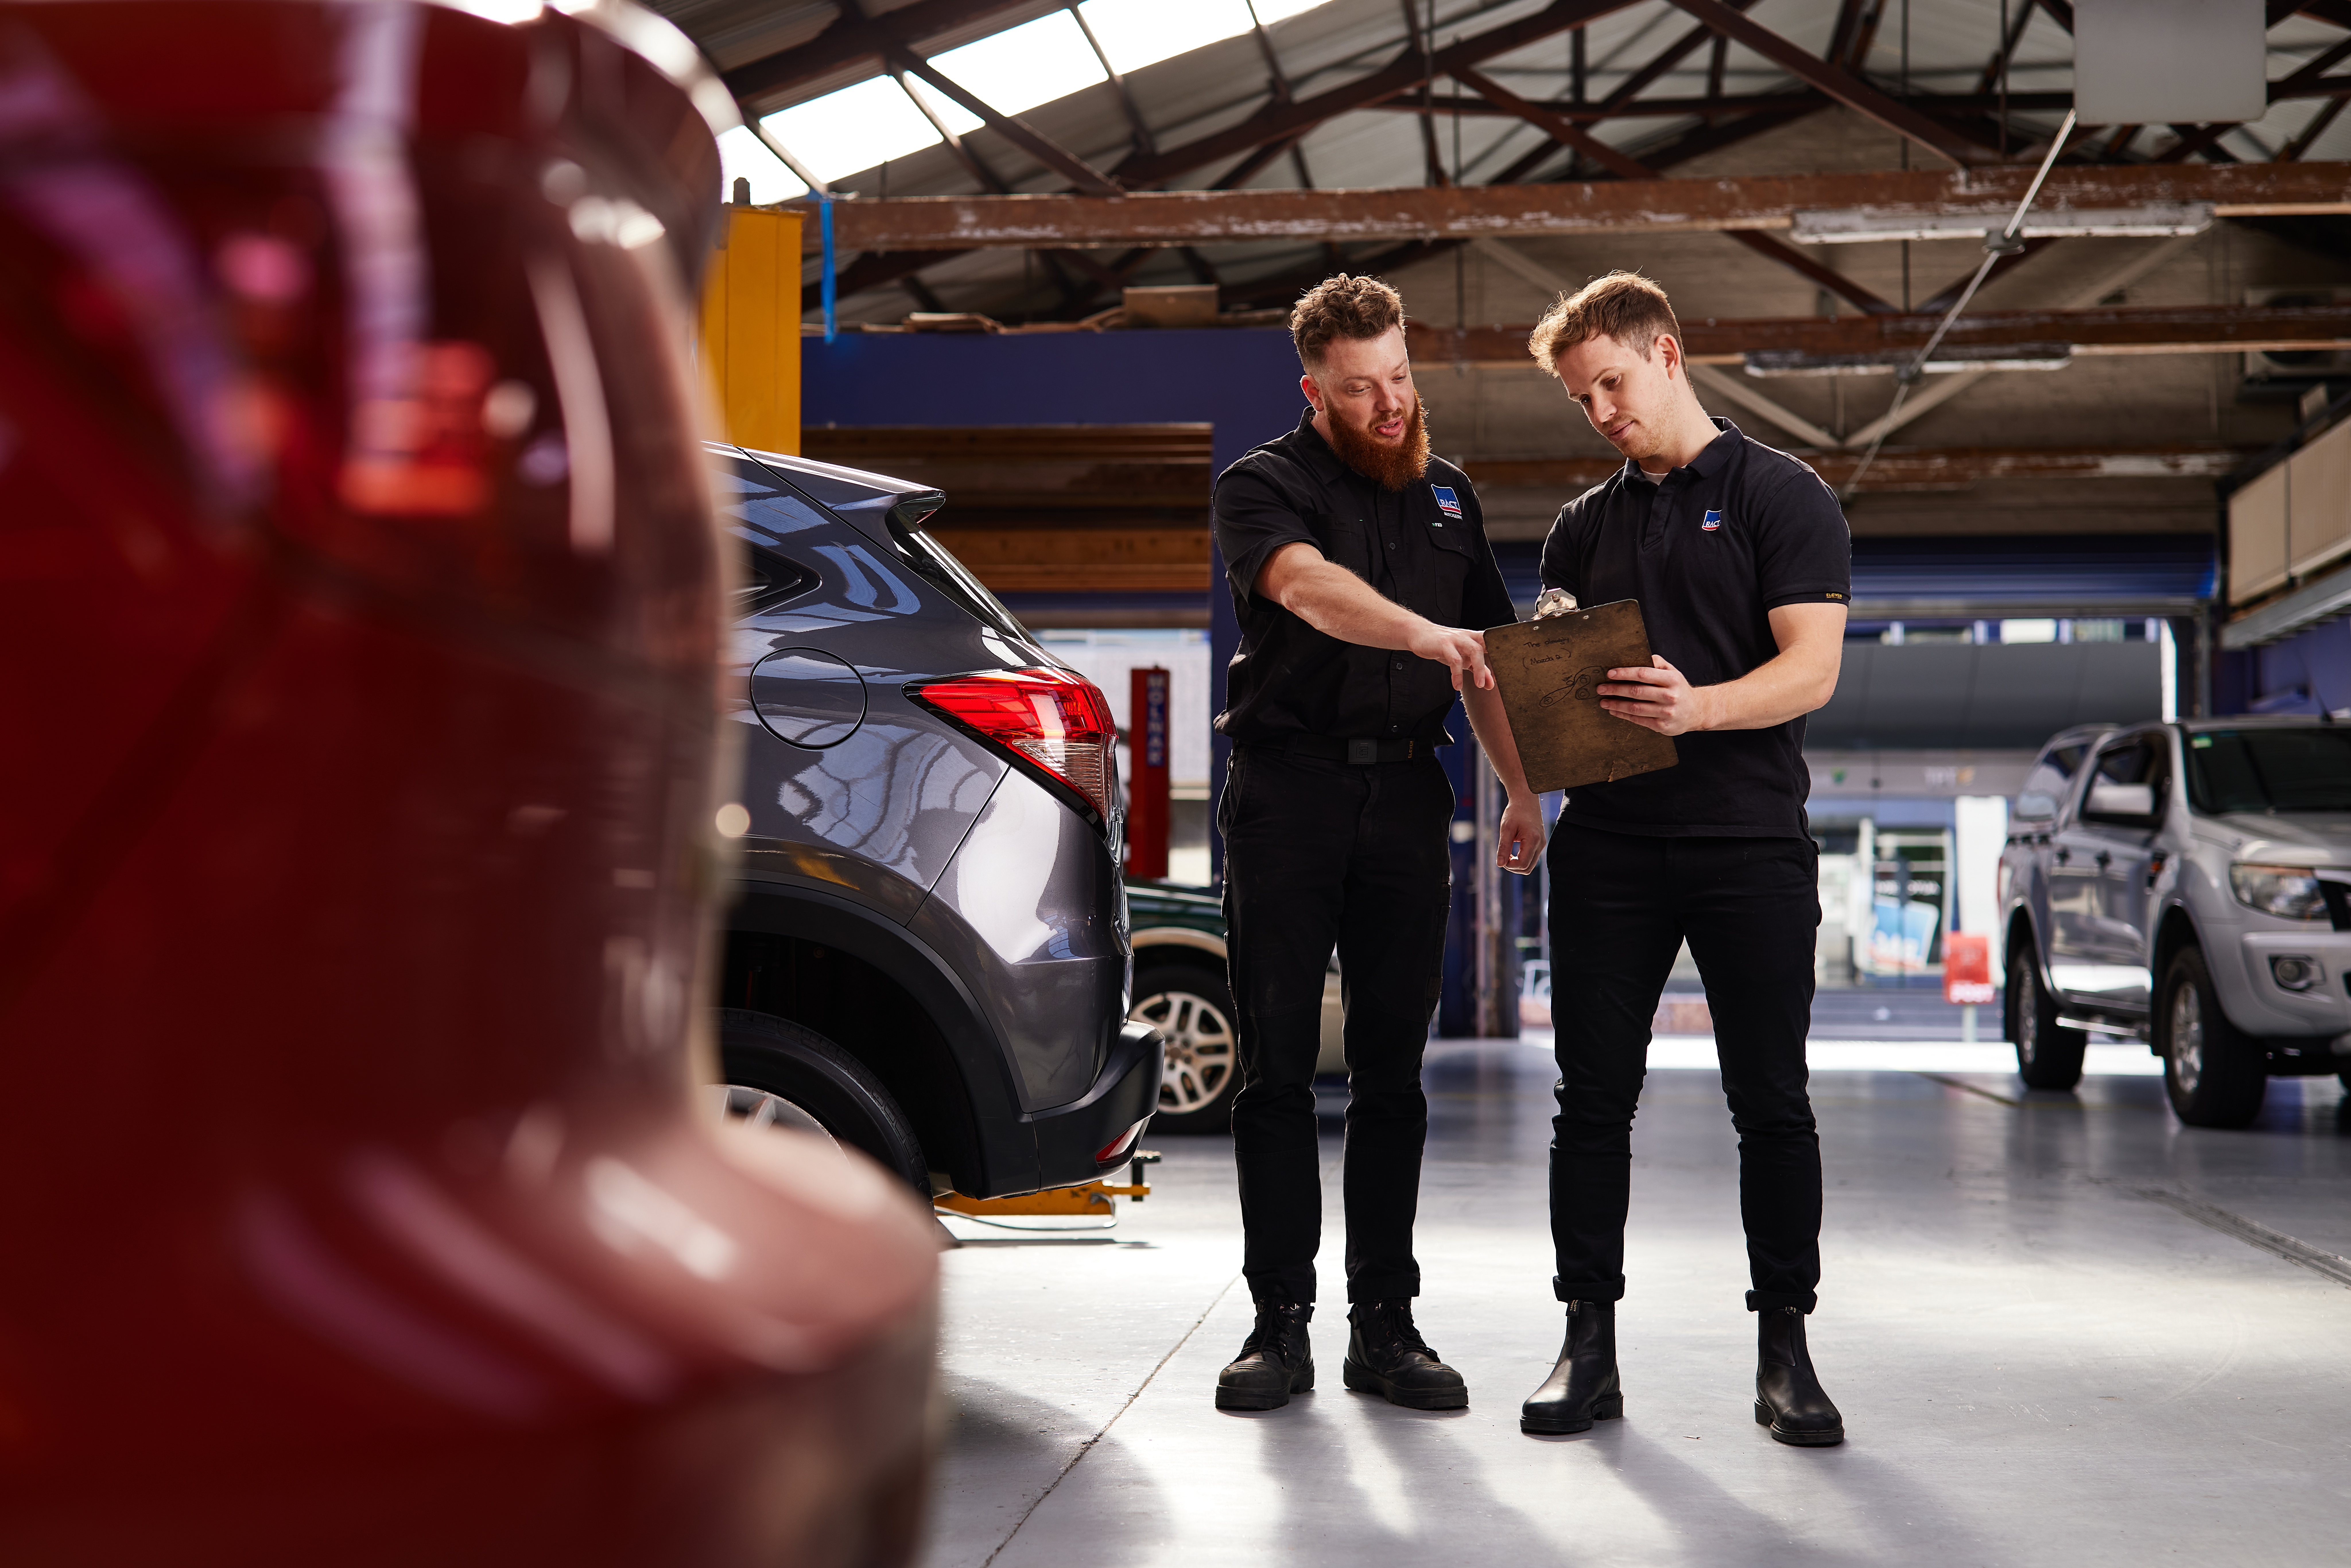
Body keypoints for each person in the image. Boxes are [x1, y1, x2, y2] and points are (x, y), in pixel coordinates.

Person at [1516, 271, 1851, 1446]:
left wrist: (1694, 710)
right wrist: (1526, 752)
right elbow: (1560, 692)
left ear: (1666, 353)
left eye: (1610, 382)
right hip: (1607, 846)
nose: (1599, 409)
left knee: (1769, 1099)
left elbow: (1810, 671)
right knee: (1588, 1103)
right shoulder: (1581, 526)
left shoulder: (1780, 495)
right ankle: (1585, 1347)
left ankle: (1785, 1354)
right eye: (1578, 398)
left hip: (1747, 841)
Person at [1207, 274, 1542, 1413]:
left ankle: (1383, 1326)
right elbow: (1305, 587)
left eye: (1398, 377)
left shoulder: (1447, 497)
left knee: (1395, 1074)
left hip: (1406, 797)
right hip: (1285, 795)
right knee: (1276, 1071)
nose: (1388, 403)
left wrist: (1520, 790)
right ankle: (1277, 1325)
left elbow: (1488, 653)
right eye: (1359, 389)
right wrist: (1421, 633)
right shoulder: (1260, 487)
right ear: (1315, 390)